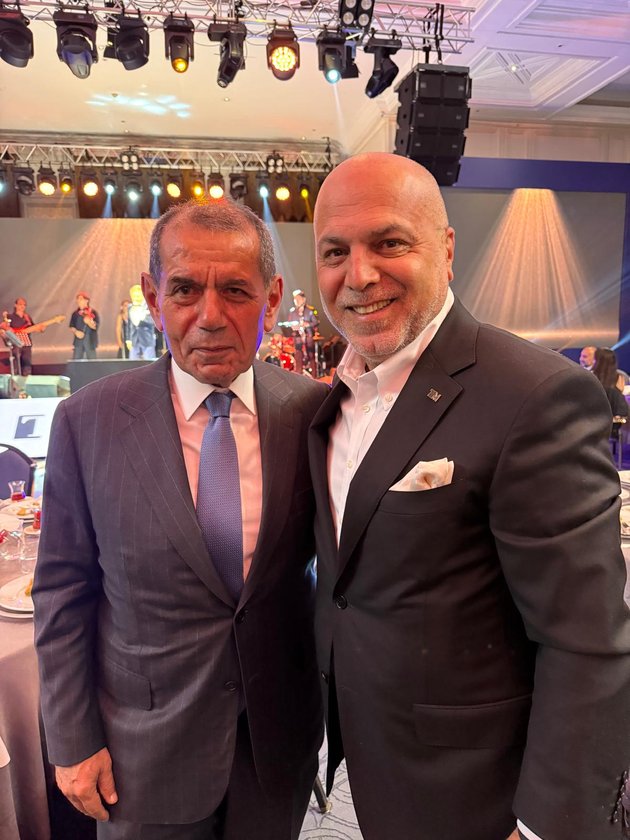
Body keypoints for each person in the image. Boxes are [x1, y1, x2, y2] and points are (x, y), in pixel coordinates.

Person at [309, 152, 630, 840]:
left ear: (447, 250)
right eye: (335, 252)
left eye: (389, 242)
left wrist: (545, 825)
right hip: (377, 769)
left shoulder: (535, 395)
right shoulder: (332, 401)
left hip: (483, 795)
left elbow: (587, 640)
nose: (358, 275)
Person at [33, 198, 328, 840]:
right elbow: (62, 590)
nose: (210, 316)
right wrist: (72, 738)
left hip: (275, 745)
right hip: (141, 752)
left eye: (236, 291)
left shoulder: (313, 413)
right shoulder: (88, 421)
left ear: (272, 298)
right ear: (153, 296)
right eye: (186, 289)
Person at [288, 289, 319, 374]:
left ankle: (314, 375)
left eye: (298, 299)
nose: (296, 301)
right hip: (298, 337)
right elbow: (289, 324)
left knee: (311, 356)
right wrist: (294, 327)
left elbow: (316, 322)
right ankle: (298, 374)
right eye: (295, 299)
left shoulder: (309, 311)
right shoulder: (292, 312)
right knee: (298, 356)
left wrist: (307, 324)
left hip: (308, 337)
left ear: (303, 299)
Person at [593, 347, 629, 420]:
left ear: (598, 361)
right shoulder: (620, 377)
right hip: (615, 419)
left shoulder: (591, 378)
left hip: (596, 419)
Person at [128, 283, 156, 360]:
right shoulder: (130, 307)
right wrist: (128, 339)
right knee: (132, 362)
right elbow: (129, 326)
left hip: (147, 339)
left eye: (138, 296)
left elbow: (153, 321)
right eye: (134, 296)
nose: (136, 298)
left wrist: (142, 318)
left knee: (149, 361)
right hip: (134, 340)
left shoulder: (149, 307)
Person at [69, 291, 100, 359]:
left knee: (92, 361)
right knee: (77, 361)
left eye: (81, 299)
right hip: (78, 341)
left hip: (90, 340)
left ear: (86, 300)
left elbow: (95, 327)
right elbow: (71, 326)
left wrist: (89, 322)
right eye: (77, 299)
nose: (78, 301)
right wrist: (76, 332)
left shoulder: (93, 312)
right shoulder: (75, 313)